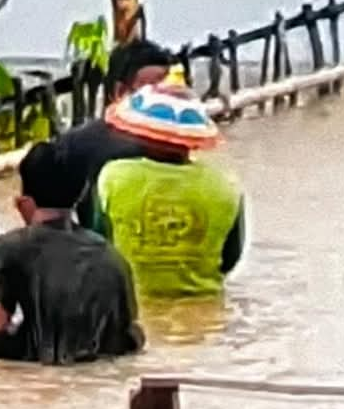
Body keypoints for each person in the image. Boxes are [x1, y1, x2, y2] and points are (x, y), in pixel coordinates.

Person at [0, 140, 144, 364]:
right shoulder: (112, 257)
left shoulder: (7, 248)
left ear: (25, 201)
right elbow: (128, 331)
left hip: (34, 375)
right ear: (83, 192)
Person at [93, 67, 246, 300]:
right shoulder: (226, 187)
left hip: (130, 304)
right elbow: (229, 259)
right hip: (204, 305)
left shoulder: (113, 177)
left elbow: (95, 244)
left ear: (141, 129)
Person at [53, 39, 174, 227]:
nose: (162, 101)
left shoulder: (173, 142)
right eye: (151, 92)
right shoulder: (79, 146)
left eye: (168, 92)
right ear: (121, 91)